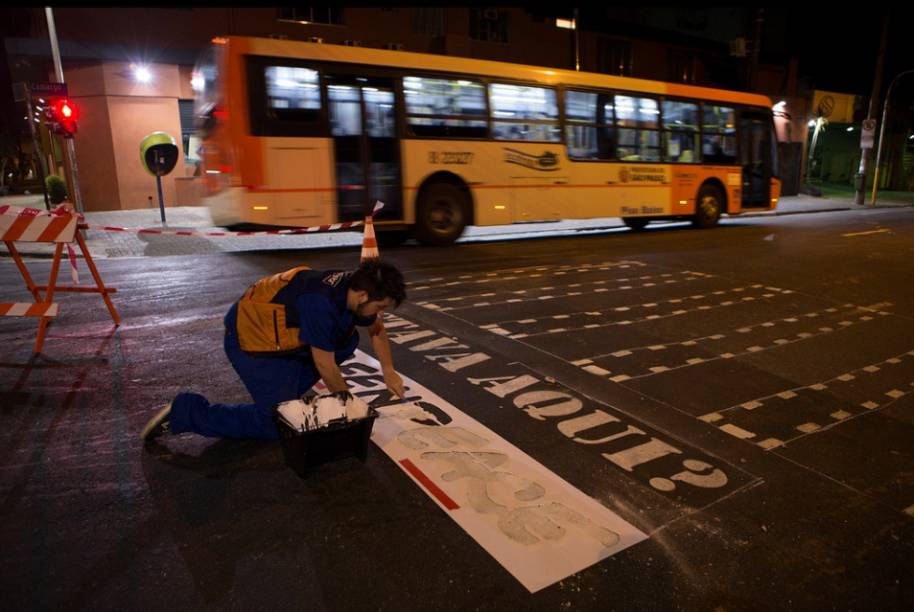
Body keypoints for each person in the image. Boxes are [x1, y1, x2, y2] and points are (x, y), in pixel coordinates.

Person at [140, 260, 407, 443]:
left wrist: (389, 370)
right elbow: (325, 366)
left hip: (284, 341)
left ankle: (282, 395)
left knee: (347, 339)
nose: (380, 313)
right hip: (251, 342)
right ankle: (185, 412)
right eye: (380, 306)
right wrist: (351, 409)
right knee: (275, 424)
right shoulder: (321, 304)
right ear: (363, 297)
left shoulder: (352, 288)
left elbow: (376, 330)